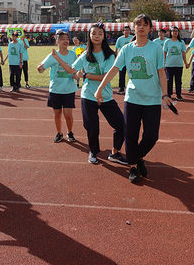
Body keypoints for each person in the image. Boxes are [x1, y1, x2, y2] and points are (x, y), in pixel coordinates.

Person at [95, 14, 172, 183]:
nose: (141, 27)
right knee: (131, 134)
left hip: (152, 99)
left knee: (151, 136)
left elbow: (161, 72)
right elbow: (115, 70)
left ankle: (136, 157)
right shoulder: (127, 49)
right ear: (134, 27)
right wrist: (100, 88)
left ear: (150, 28)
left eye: (145, 24)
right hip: (132, 98)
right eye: (138, 24)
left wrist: (165, 94)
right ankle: (133, 167)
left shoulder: (156, 48)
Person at [49, 22, 127, 165]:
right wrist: (57, 58)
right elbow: (71, 70)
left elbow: (105, 76)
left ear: (104, 36)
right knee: (92, 127)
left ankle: (115, 152)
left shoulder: (109, 55)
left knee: (121, 125)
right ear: (89, 36)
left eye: (100, 33)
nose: (96, 36)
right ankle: (93, 151)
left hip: (106, 96)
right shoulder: (85, 55)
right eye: (93, 33)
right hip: (88, 96)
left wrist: (86, 75)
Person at [38, 30, 78, 144]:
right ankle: (59, 133)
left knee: (68, 114)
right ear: (57, 41)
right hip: (56, 89)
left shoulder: (72, 54)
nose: (65, 41)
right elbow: (41, 69)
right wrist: (39, 68)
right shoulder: (53, 55)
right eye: (62, 39)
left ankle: (70, 132)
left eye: (67, 39)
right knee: (57, 113)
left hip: (69, 89)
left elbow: (75, 70)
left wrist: (76, 75)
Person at [163, 26, 187, 101]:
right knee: (169, 80)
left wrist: (186, 63)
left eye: (176, 31)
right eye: (173, 31)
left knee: (178, 80)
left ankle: (178, 94)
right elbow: (164, 53)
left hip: (179, 64)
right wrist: (163, 63)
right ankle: (169, 94)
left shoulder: (181, 42)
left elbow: (183, 53)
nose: (175, 32)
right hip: (169, 64)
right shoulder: (167, 41)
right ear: (170, 32)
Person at [114, 26, 133, 94]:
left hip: (131, 59)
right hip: (122, 59)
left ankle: (133, 89)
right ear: (123, 32)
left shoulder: (132, 38)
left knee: (132, 74)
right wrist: (116, 57)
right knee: (121, 75)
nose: (127, 31)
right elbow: (116, 48)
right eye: (125, 30)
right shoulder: (120, 39)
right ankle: (121, 88)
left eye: (128, 30)